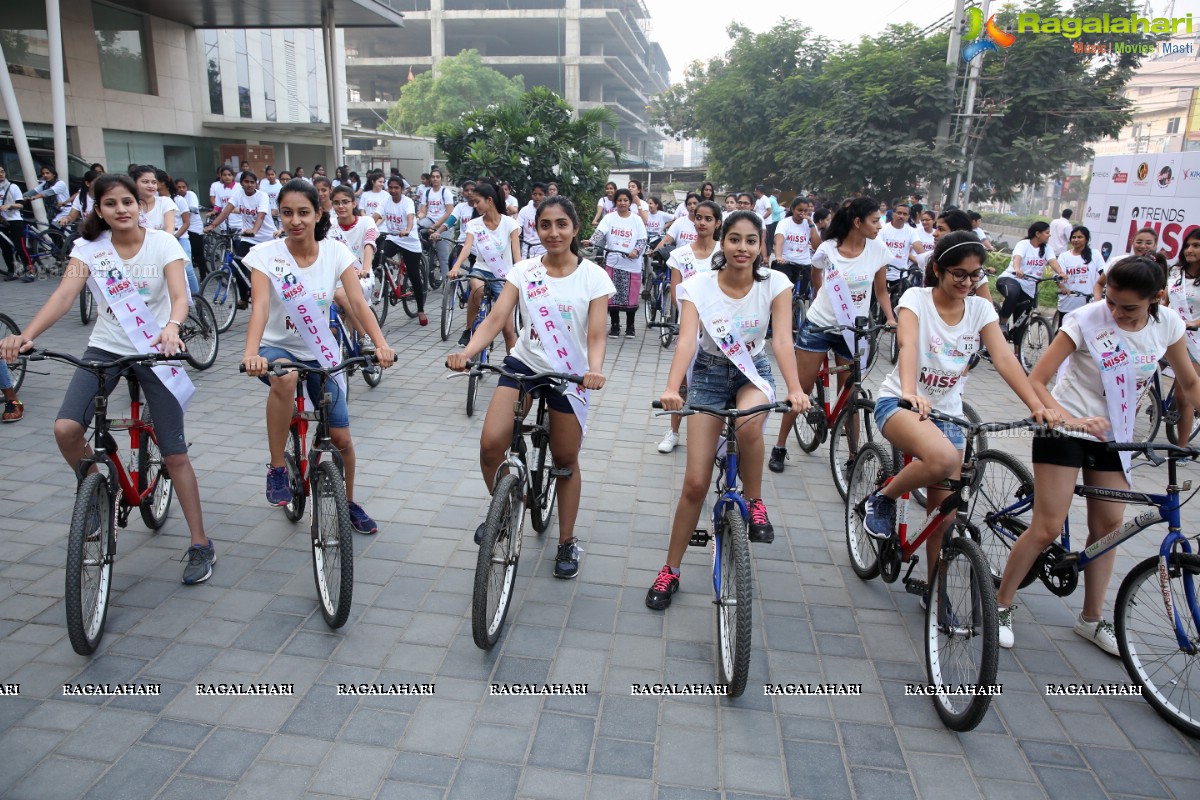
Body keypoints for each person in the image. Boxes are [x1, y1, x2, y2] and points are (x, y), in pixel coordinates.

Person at [0, 173, 216, 582]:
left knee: (174, 454)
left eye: (128, 202)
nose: (121, 209)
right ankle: (98, 489)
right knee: (66, 429)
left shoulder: (163, 243)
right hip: (107, 348)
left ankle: (200, 543)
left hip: (156, 350)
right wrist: (25, 336)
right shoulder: (89, 249)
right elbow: (64, 296)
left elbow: (179, 296)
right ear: (98, 210)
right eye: (111, 203)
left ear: (141, 205)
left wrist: (172, 326)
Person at [996, 256, 1200, 654]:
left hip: (1116, 435)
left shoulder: (1169, 324)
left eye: (1128, 308)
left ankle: (1091, 619)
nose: (1116, 313)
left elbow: (1189, 383)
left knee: (1109, 527)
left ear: (1156, 298)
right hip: (1066, 428)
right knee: (1048, 526)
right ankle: (1001, 603)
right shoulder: (1087, 319)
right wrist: (1065, 417)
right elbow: (1037, 378)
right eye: (1111, 302)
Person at [861, 233, 1060, 595]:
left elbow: (1003, 358)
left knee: (945, 518)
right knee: (941, 458)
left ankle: (936, 596)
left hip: (949, 416)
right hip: (900, 404)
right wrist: (909, 392)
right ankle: (883, 497)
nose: (967, 282)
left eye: (974, 275)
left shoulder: (981, 309)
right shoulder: (915, 299)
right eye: (958, 273)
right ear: (937, 269)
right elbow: (907, 344)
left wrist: (1036, 405)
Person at [646, 210, 809, 610]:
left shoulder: (777, 284)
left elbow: (783, 342)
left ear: (761, 246)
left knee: (751, 427)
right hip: (708, 376)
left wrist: (796, 388)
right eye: (734, 239)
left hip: (752, 373)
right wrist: (672, 387)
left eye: (751, 240)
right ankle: (671, 569)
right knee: (695, 483)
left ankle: (754, 503)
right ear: (723, 242)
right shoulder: (698, 286)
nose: (742, 248)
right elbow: (686, 341)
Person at [447, 196, 613, 578]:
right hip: (525, 363)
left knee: (566, 461)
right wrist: (469, 351)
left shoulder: (594, 277)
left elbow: (597, 334)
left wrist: (596, 369)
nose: (553, 232)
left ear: (574, 229)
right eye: (545, 225)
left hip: (570, 374)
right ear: (535, 228)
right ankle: (508, 509)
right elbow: (496, 320)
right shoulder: (523, 271)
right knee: (491, 444)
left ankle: (567, 541)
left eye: (561, 224)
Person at [241, 179, 396, 535]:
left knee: (341, 439)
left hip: (321, 351)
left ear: (318, 214)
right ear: (279, 216)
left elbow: (357, 302)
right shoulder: (266, 256)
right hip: (276, 349)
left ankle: (350, 502)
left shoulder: (336, 253)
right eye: (287, 213)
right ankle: (278, 467)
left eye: (303, 212)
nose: (295, 220)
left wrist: (380, 343)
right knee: (285, 377)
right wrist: (251, 353)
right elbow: (261, 307)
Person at [770, 197, 896, 473]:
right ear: (858, 222)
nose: (879, 226)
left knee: (850, 395)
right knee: (801, 389)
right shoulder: (828, 248)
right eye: (875, 221)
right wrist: (820, 298)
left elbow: (882, 290)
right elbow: (816, 277)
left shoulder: (878, 249)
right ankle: (780, 445)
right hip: (820, 325)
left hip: (853, 330)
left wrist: (890, 317)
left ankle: (853, 457)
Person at [656, 200, 722, 454]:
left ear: (717, 223)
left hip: (719, 329)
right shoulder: (680, 255)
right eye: (698, 217)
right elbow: (676, 294)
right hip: (690, 328)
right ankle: (673, 431)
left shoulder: (724, 253)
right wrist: (693, 320)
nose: (702, 223)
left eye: (708, 218)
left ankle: (718, 433)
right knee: (682, 381)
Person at [449, 179, 521, 347]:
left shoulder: (510, 223)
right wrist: (456, 266)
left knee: (508, 330)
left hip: (503, 275)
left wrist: (520, 274)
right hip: (481, 269)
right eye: (473, 202)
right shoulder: (474, 224)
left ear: (489, 200)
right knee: (476, 288)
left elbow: (516, 253)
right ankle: (468, 329)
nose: (475, 205)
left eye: (477, 201)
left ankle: (513, 367)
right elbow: (467, 247)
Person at [996, 221, 1062, 363]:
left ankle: (1017, 356)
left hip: (1029, 287)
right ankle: (1003, 322)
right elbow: (1017, 258)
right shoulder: (1024, 245)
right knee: (1013, 293)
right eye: (1047, 232)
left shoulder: (1047, 249)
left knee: (1022, 322)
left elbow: (1053, 262)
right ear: (1038, 233)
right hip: (1011, 279)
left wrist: (1061, 273)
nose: (1049, 235)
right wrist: (1018, 268)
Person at [587, 188, 647, 338]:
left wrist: (636, 251)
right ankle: (615, 326)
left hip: (632, 265)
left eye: (625, 200)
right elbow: (599, 233)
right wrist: (590, 242)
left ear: (630, 202)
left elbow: (642, 240)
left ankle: (630, 327)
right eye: (619, 200)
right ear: (615, 202)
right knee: (612, 296)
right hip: (613, 263)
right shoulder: (609, 218)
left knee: (631, 297)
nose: (622, 203)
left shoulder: (636, 220)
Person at [328, 185, 380, 349]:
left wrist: (364, 269)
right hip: (335, 278)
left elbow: (369, 245)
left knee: (342, 295)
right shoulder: (328, 225)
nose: (341, 206)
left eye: (345, 202)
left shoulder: (366, 221)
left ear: (354, 203)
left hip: (361, 277)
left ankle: (365, 337)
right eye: (336, 203)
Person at [373, 175, 428, 326]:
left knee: (414, 274)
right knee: (378, 256)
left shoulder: (407, 202)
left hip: (409, 240)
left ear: (402, 189)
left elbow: (410, 218)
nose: (393, 190)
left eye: (396, 188)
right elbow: (375, 216)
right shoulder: (385, 201)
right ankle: (384, 281)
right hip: (393, 238)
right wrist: (367, 226)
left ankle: (421, 309)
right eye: (390, 187)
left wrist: (408, 230)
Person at [1165, 228, 1200, 443]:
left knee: (1183, 396)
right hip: (1169, 333)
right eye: (1187, 245)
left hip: (1194, 341)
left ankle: (1182, 446)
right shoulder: (1176, 272)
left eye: (1196, 245)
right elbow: (1166, 301)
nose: (1190, 249)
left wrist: (1194, 323)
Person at [772, 196, 822, 297]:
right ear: (792, 209)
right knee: (784, 291)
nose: (802, 213)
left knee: (801, 294)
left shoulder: (809, 224)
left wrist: (812, 225)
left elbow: (817, 246)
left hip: (804, 264)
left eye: (806, 211)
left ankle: (798, 308)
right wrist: (778, 256)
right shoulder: (784, 223)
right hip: (786, 262)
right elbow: (779, 241)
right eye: (799, 210)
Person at [159, 169, 199, 294]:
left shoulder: (179, 200)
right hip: (162, 238)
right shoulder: (155, 200)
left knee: (187, 269)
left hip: (180, 237)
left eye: (155, 181)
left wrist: (175, 236)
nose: (152, 185)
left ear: (164, 182)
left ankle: (197, 298)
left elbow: (186, 222)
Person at [1055, 225, 1100, 326]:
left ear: (1086, 239)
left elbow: (1103, 272)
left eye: (1080, 237)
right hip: (1068, 302)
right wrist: (1062, 288)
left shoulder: (1095, 254)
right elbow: (1057, 276)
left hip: (1088, 302)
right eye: (1074, 237)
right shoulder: (1064, 256)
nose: (1076, 240)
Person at [1095, 228, 1159, 297]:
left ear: (1155, 245)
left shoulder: (1158, 268)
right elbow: (1099, 284)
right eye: (1139, 242)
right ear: (1132, 243)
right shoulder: (1118, 261)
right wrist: (1097, 302)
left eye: (1148, 243)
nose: (1143, 246)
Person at [417, 166, 454, 279]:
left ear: (441, 179)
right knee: (416, 229)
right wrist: (416, 218)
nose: (435, 179)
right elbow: (423, 211)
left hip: (443, 223)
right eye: (433, 177)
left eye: (437, 177)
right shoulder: (427, 192)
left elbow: (449, 213)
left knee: (443, 256)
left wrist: (435, 226)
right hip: (429, 220)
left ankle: (446, 282)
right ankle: (424, 251)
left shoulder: (445, 192)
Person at [0, 165, 33, 281]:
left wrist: (10, 205)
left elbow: (21, 205)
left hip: (15, 220)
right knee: (5, 249)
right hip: (2, 222)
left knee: (21, 247)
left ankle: (30, 272)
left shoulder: (13, 187)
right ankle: (11, 271)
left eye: (2, 171)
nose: (1, 174)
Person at [879, 203, 924, 288]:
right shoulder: (883, 229)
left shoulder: (911, 231)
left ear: (908, 216)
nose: (901, 216)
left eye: (904, 214)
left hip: (901, 274)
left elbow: (918, 247)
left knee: (900, 300)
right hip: (882, 273)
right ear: (893, 214)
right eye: (899, 213)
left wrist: (926, 261)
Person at [174, 178, 206, 282]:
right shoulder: (174, 198)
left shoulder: (190, 195)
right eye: (179, 187)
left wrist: (182, 207)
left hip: (194, 228)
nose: (181, 189)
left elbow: (193, 208)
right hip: (181, 228)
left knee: (198, 254)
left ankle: (203, 277)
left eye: (183, 187)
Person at [129, 165, 175, 236]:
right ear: (134, 183)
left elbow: (170, 230)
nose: (151, 186)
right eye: (145, 182)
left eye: (154, 182)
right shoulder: (129, 205)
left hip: (163, 244)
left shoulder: (165, 202)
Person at [651, 193, 700, 258]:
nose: (692, 206)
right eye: (689, 204)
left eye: (695, 203)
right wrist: (654, 252)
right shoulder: (679, 222)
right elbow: (667, 240)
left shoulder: (704, 224)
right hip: (680, 261)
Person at [517, 182, 547, 259]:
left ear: (545, 195)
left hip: (544, 249)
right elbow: (517, 228)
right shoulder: (524, 210)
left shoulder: (548, 211)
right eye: (535, 194)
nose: (537, 197)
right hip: (527, 249)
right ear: (531, 195)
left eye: (540, 194)